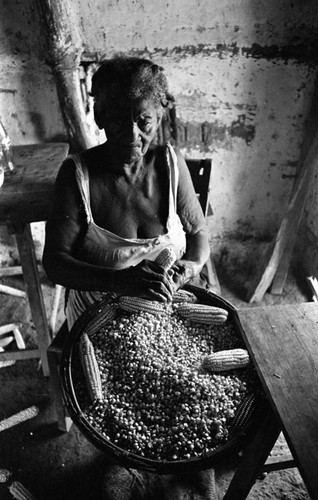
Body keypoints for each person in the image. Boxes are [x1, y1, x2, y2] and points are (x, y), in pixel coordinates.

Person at [43, 56, 210, 330]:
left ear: (158, 118)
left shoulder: (170, 164)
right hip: (100, 315)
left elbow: (198, 232)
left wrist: (190, 266)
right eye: (119, 121)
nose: (132, 135)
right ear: (100, 116)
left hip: (165, 307)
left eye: (143, 122)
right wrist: (118, 281)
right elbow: (55, 263)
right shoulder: (77, 176)